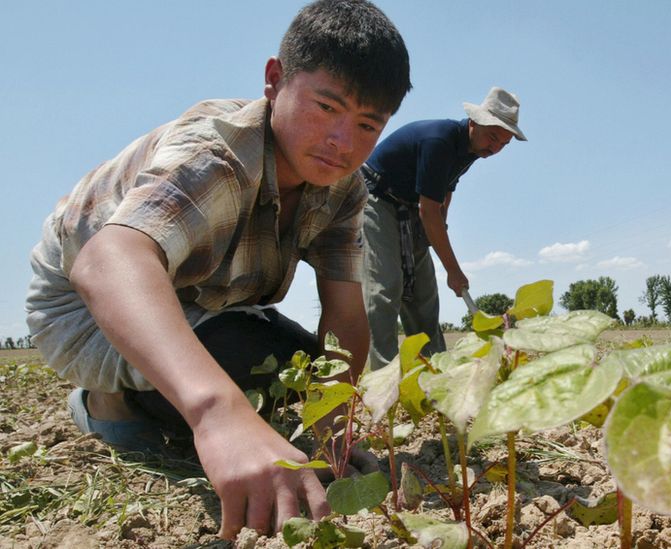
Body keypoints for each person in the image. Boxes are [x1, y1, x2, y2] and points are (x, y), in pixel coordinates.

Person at [24, 0, 410, 539]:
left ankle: (172, 395)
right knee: (234, 374)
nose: (341, 143)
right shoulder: (218, 154)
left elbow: (345, 312)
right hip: (85, 306)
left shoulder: (343, 188)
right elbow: (108, 261)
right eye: (326, 107)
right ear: (274, 80)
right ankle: (105, 400)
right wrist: (215, 413)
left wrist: (331, 429)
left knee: (291, 373)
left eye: (367, 124)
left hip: (199, 302)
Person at [359, 87, 526, 368]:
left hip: (413, 206)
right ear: (474, 122)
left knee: (424, 294)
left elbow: (445, 191)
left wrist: (440, 225)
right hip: (377, 197)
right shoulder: (440, 141)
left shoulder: (473, 149)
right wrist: (453, 270)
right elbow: (429, 211)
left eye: (504, 144)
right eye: (493, 137)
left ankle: (437, 373)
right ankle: (382, 378)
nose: (495, 148)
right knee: (385, 289)